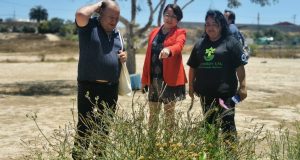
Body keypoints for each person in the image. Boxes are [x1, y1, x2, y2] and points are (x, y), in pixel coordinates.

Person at [73, 0, 127, 158]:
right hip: (88, 86)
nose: (114, 20)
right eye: (110, 16)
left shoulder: (118, 33)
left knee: (104, 128)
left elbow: (119, 54)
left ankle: (100, 156)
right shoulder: (89, 27)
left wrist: (124, 56)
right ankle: (79, 157)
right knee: (85, 126)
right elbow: (81, 14)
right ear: (100, 13)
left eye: (117, 18)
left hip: (111, 88)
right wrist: (101, 3)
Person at [187, 10, 247, 145]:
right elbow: (193, 67)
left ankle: (230, 155)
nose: (210, 27)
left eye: (214, 24)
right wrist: (190, 86)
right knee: (209, 127)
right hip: (205, 94)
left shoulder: (231, 43)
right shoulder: (199, 44)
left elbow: (240, 67)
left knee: (228, 126)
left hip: (226, 96)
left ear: (222, 25)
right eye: (207, 24)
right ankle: (211, 153)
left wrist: (243, 87)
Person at [141, 4, 187, 140]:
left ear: (178, 19)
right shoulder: (154, 32)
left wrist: (169, 50)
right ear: (163, 15)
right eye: (167, 14)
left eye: (174, 16)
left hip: (169, 81)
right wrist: (144, 79)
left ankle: (168, 144)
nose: (169, 18)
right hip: (154, 79)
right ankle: (151, 143)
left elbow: (179, 45)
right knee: (153, 115)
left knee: (169, 115)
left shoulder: (180, 32)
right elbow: (147, 57)